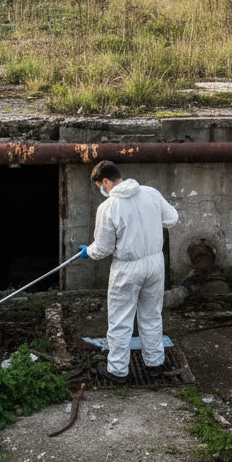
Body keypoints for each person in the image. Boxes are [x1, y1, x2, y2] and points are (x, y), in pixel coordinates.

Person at [80, 160, 179, 384]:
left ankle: (117, 371)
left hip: (127, 267)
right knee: (151, 315)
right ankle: (155, 365)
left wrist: (89, 252)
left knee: (120, 320)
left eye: (100, 186)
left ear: (106, 181)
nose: (102, 190)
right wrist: (149, 222)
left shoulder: (108, 207)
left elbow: (103, 247)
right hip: (155, 263)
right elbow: (172, 218)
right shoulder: (150, 193)